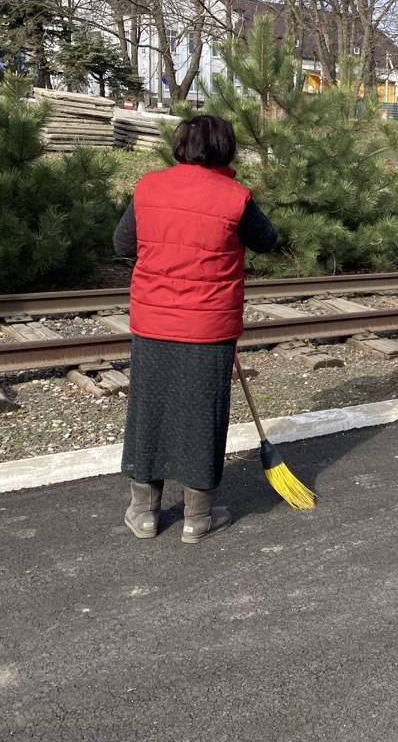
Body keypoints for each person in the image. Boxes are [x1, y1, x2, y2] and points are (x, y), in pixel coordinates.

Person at [113, 114, 278, 543]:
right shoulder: (237, 197)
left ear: (180, 145)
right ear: (227, 150)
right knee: (203, 416)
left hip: (153, 323)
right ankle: (196, 518)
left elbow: (122, 244)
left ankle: (144, 513)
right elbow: (266, 240)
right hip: (209, 328)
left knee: (148, 411)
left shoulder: (149, 186)